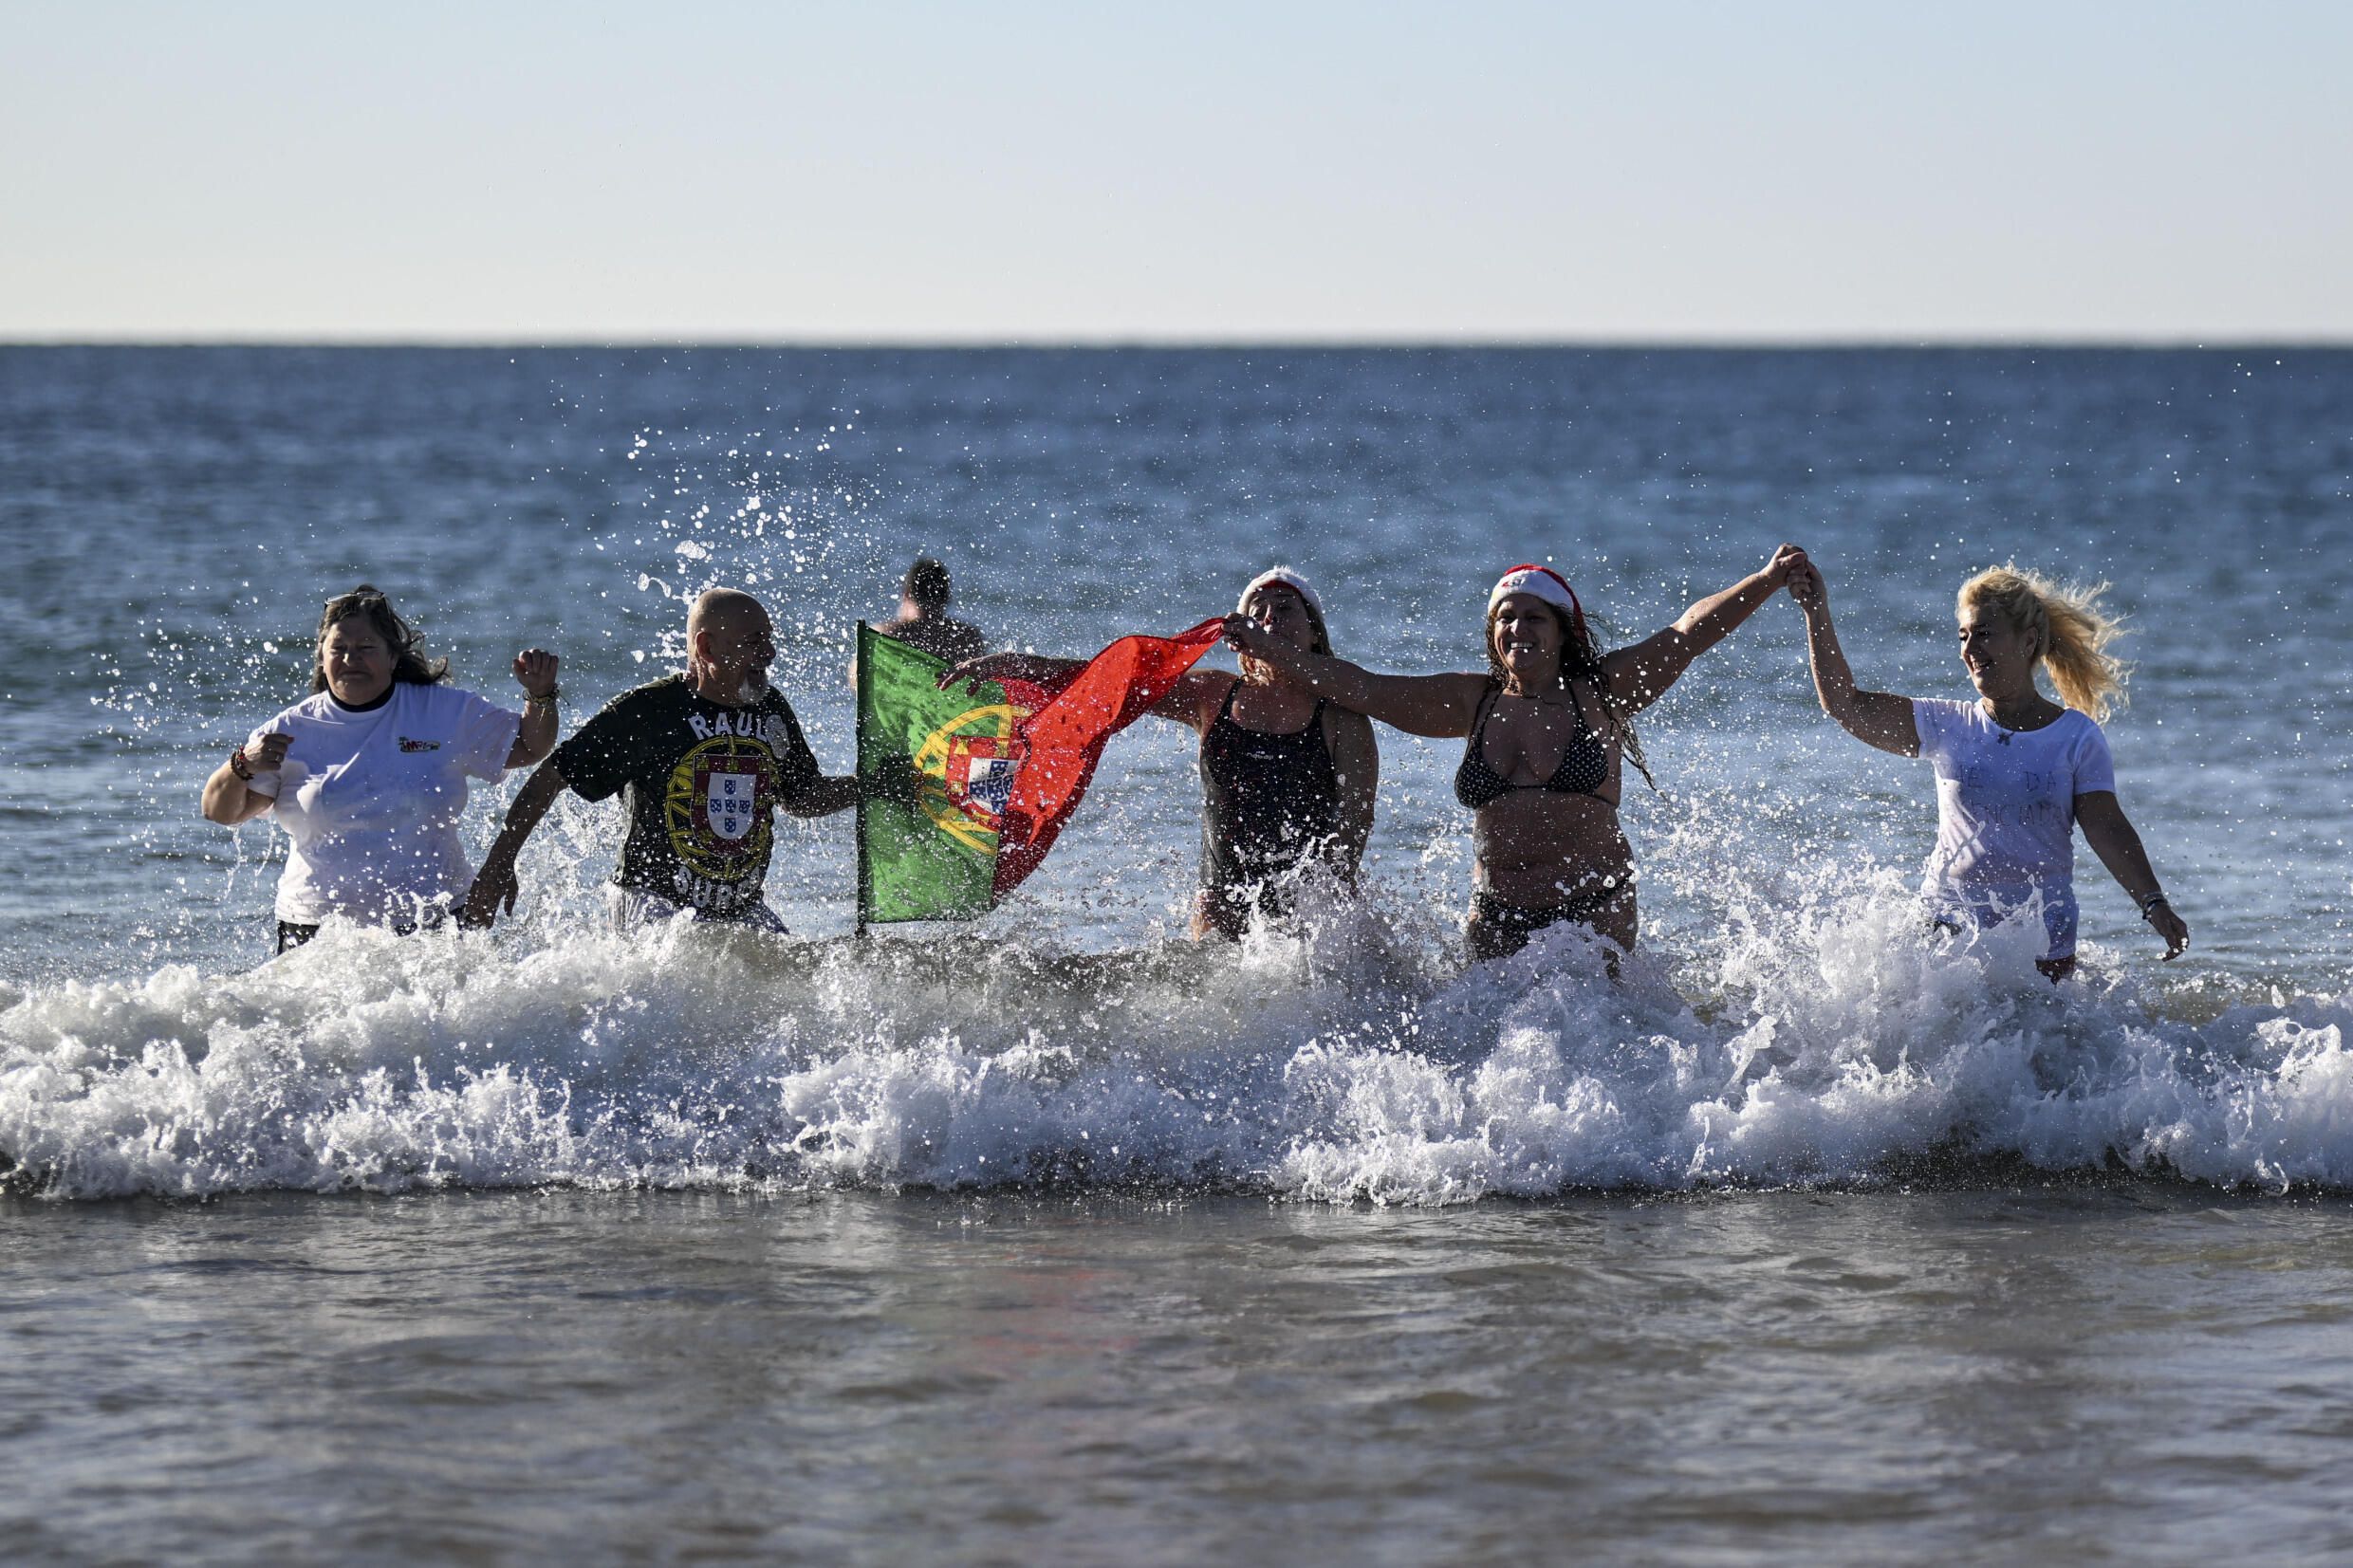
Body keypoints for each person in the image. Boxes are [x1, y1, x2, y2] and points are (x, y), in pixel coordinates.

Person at [1223, 547, 1810, 961]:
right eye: (1505, 618)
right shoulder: (1471, 702)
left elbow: (1688, 635)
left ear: (1561, 632)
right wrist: (1268, 648)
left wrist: (1766, 579)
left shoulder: (1603, 693)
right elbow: (1365, 688)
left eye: (1533, 617)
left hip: (1594, 909)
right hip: (1495, 918)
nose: (1517, 628)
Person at [1789, 558, 2188, 981]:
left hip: (2041, 936)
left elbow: (2106, 827)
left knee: (2043, 1044)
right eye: (1963, 636)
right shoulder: (1948, 724)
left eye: (1983, 634)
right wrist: (1817, 612)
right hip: (1948, 927)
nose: (1969, 650)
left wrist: (2153, 903)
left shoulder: (2077, 737)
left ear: (2028, 641)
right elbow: (1844, 705)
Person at [946, 567, 1379, 939]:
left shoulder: (1343, 718)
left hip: (1314, 915)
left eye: (1285, 609)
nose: (1269, 619)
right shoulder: (1213, 695)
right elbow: (1107, 685)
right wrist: (1019, 664)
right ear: (1240, 637)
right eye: (1258, 611)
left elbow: (1354, 824)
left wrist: (1317, 911)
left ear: (1314, 630)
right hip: (1220, 907)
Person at [464, 587, 862, 933]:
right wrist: (499, 863)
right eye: (754, 642)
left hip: (740, 909)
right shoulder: (648, 712)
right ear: (706, 648)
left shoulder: (771, 709)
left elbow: (802, 797)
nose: (769, 654)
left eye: (769, 640)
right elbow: (550, 776)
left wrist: (873, 785)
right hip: (652, 903)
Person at [199, 584, 560, 951]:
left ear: (392, 657)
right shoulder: (290, 731)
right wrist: (240, 765)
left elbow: (530, 746)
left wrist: (540, 694)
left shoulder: (443, 712)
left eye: (366, 648)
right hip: (317, 930)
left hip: (436, 921)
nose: (350, 659)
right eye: (338, 649)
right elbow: (220, 812)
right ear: (322, 658)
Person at [875, 557, 987, 664]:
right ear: (947, 597)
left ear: (906, 593)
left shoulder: (885, 634)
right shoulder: (969, 638)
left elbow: (858, 678)